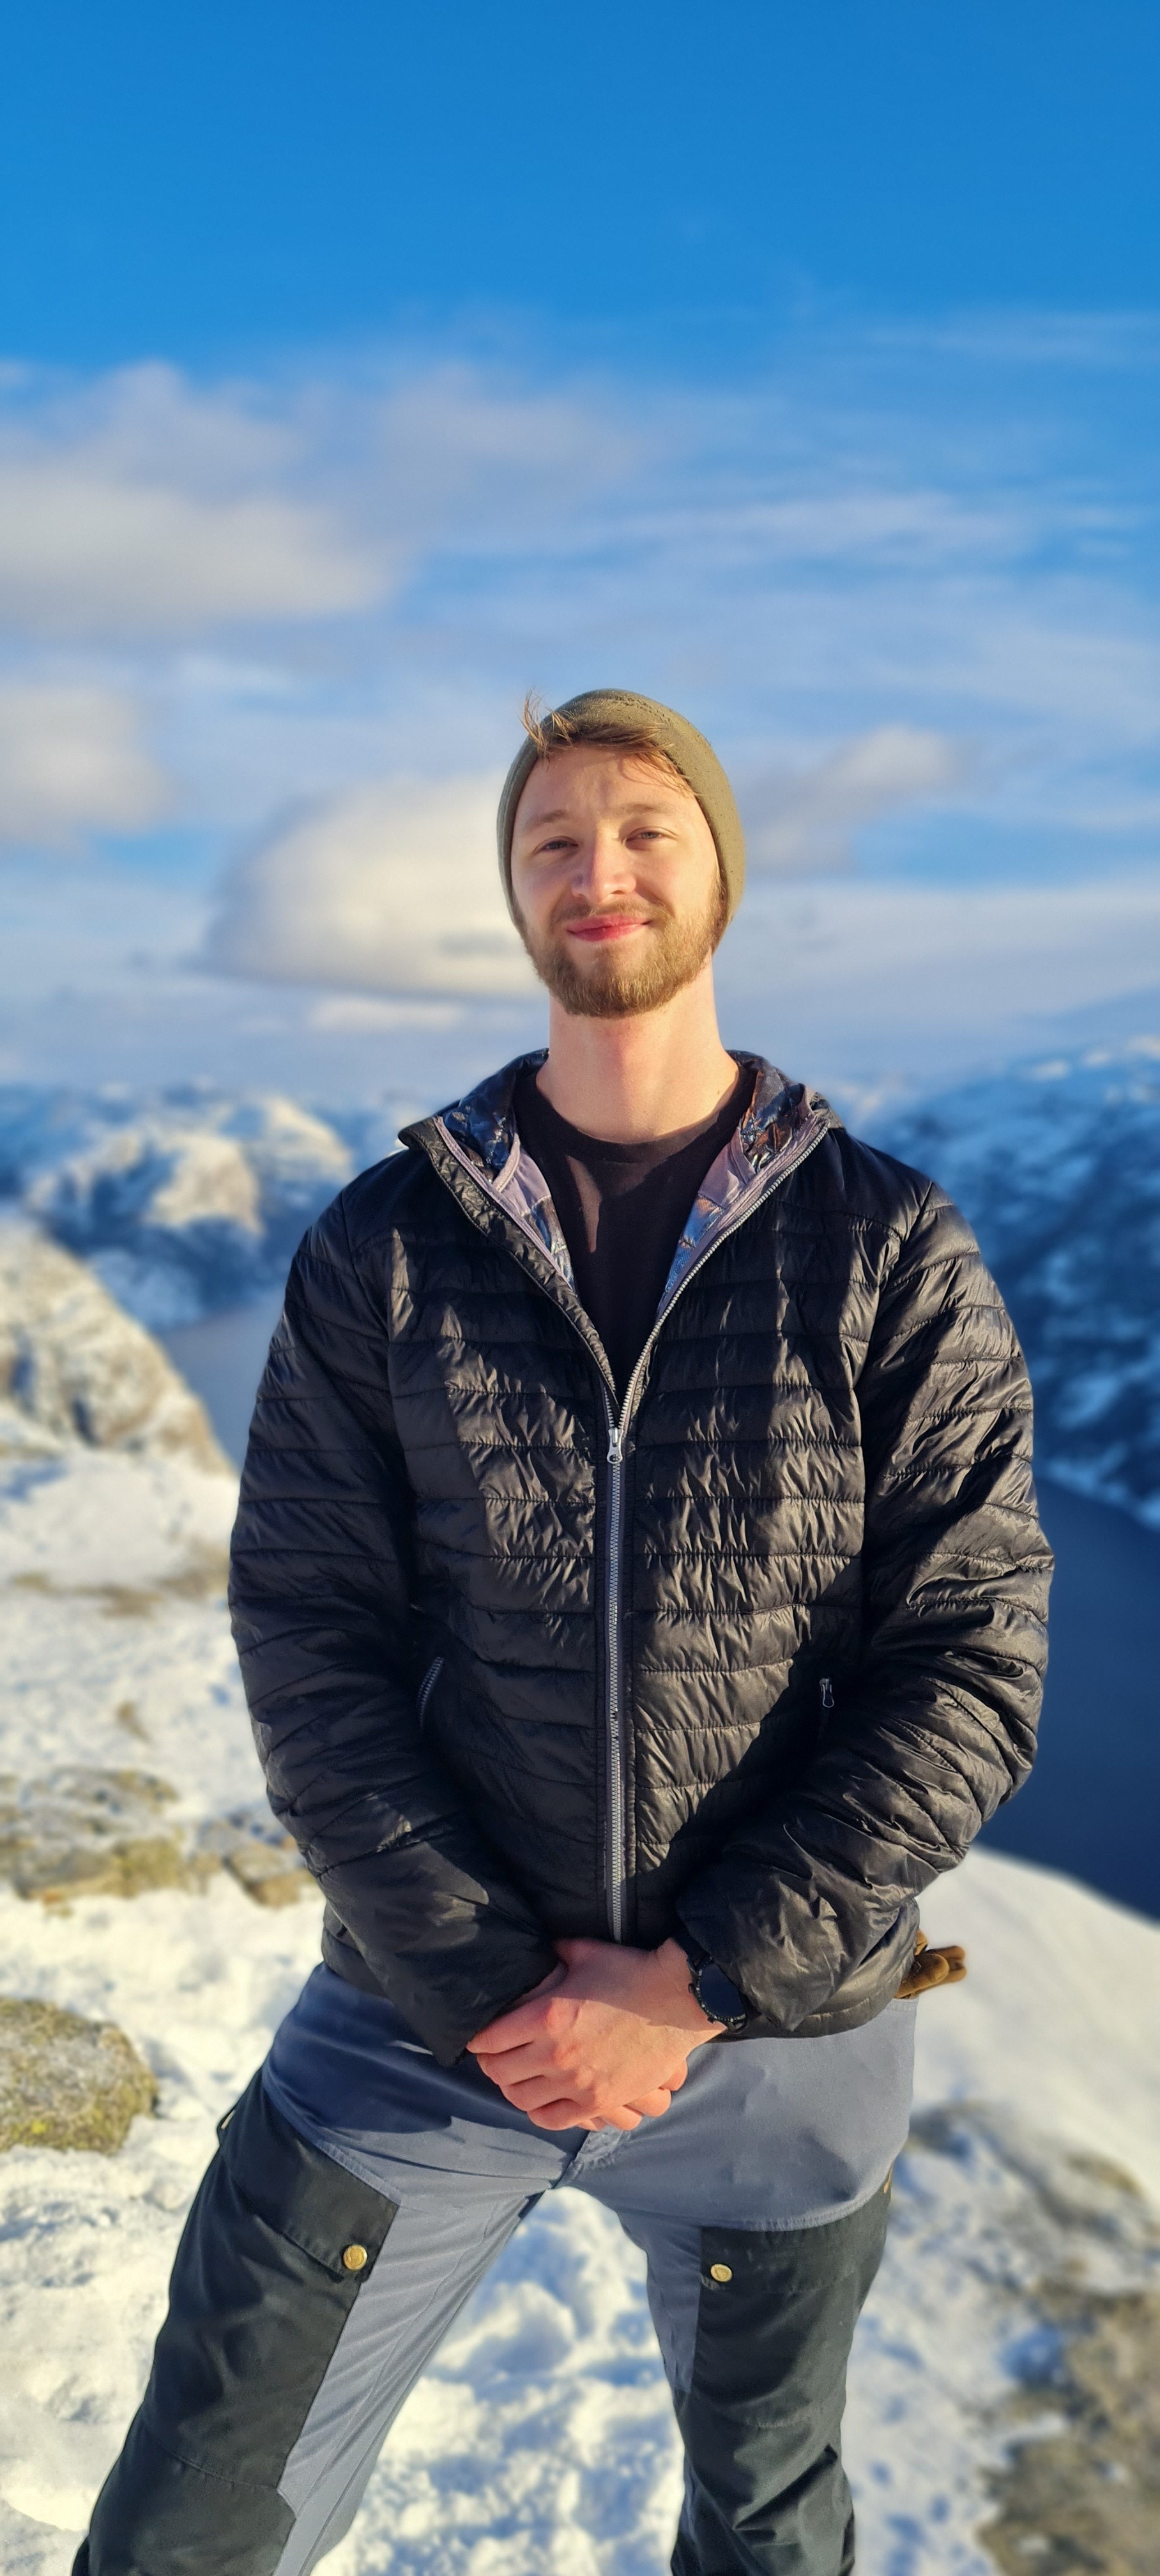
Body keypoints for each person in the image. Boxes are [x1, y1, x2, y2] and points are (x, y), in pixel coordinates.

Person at [76, 689, 1051, 2576]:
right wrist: (508, 1994)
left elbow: (973, 1655)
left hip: (776, 2029)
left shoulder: (885, 1249)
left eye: (641, 830)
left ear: (718, 879)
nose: (596, 870)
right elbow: (309, 1633)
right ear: (516, 900)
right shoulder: (387, 1246)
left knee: (771, 2524)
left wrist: (684, 1986)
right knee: (186, 2526)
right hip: (439, 2017)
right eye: (552, 842)